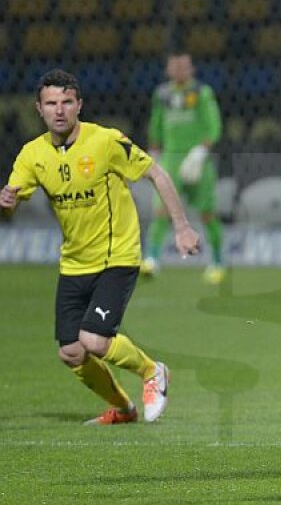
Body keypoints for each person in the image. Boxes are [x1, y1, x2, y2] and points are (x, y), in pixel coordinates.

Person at [0, 69, 201, 425]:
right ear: (39, 109)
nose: (59, 110)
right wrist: (6, 203)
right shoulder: (32, 155)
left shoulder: (105, 141)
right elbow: (12, 201)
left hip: (117, 256)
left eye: (66, 102)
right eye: (51, 103)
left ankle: (153, 371)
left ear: (79, 105)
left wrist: (182, 227)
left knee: (93, 339)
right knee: (71, 351)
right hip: (74, 263)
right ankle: (124, 410)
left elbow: (156, 173)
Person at [142, 51, 225, 283]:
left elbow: (214, 125)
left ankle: (218, 262)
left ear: (191, 69)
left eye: (183, 67)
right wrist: (154, 152)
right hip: (170, 160)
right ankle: (152, 260)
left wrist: (201, 151)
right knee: (161, 210)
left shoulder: (201, 93)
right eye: (175, 67)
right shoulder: (162, 94)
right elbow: (156, 125)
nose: (179, 71)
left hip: (197, 160)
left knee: (207, 213)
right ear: (168, 70)